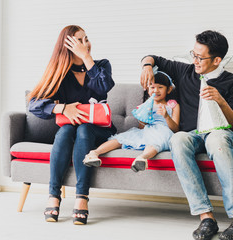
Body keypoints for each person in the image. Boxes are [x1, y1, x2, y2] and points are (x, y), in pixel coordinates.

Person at [140, 30, 233, 240]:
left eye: (200, 57)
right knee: (177, 139)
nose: (195, 60)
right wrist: (147, 66)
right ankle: (206, 218)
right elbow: (152, 57)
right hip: (192, 134)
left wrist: (221, 101)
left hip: (220, 132)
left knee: (217, 139)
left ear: (217, 60)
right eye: (194, 54)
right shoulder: (185, 71)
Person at [28, 25, 117, 225]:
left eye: (87, 39)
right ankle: (53, 195)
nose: (87, 44)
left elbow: (104, 86)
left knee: (84, 129)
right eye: (80, 41)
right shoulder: (61, 73)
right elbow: (33, 104)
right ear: (68, 46)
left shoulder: (101, 65)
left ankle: (81, 197)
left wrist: (86, 57)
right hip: (70, 130)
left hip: (98, 130)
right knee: (66, 130)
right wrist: (63, 109)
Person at [83, 71, 180, 172]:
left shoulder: (172, 105)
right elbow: (141, 128)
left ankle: (142, 158)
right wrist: (143, 119)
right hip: (147, 131)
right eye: (152, 87)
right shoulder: (146, 105)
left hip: (163, 132)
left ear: (168, 89)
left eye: (160, 87)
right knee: (121, 139)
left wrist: (166, 116)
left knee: (155, 143)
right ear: (147, 89)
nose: (156, 90)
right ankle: (93, 153)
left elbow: (175, 129)